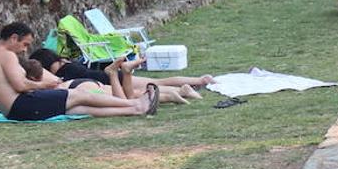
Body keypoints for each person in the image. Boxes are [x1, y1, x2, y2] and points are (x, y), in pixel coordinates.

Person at [0, 22, 155, 121]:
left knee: (78, 108)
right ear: (13, 38)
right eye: (24, 44)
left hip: (15, 111)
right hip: (23, 105)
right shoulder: (7, 55)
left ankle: (134, 110)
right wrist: (44, 84)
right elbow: (20, 85)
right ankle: (136, 105)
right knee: (77, 95)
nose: (24, 50)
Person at [29, 48, 210, 102]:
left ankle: (185, 88)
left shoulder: (61, 73)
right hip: (105, 77)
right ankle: (198, 80)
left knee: (148, 88)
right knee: (157, 81)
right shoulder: (67, 62)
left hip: (109, 81)